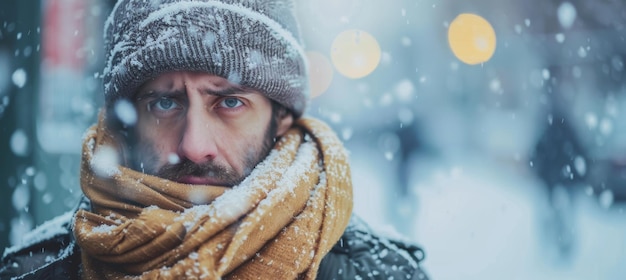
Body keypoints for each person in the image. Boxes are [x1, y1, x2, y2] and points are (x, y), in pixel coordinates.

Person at [1, 0, 428, 279]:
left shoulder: (379, 272)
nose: (194, 146)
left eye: (229, 103)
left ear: (280, 118)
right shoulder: (35, 271)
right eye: (164, 104)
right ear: (126, 122)